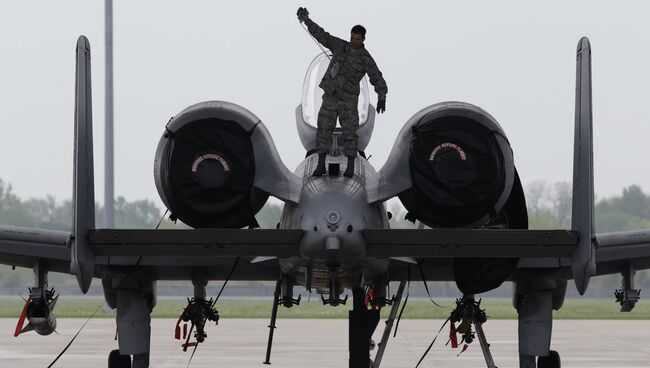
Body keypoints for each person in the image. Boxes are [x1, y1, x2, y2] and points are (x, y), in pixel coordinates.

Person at [297, 7, 388, 177]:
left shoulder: (365, 59)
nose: (354, 41)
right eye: (352, 38)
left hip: (348, 101)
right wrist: (307, 20)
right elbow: (322, 35)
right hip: (331, 97)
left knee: (350, 134)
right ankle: (321, 164)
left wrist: (382, 96)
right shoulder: (340, 46)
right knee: (323, 129)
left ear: (363, 39)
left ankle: (351, 167)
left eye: (357, 39)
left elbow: (377, 77)